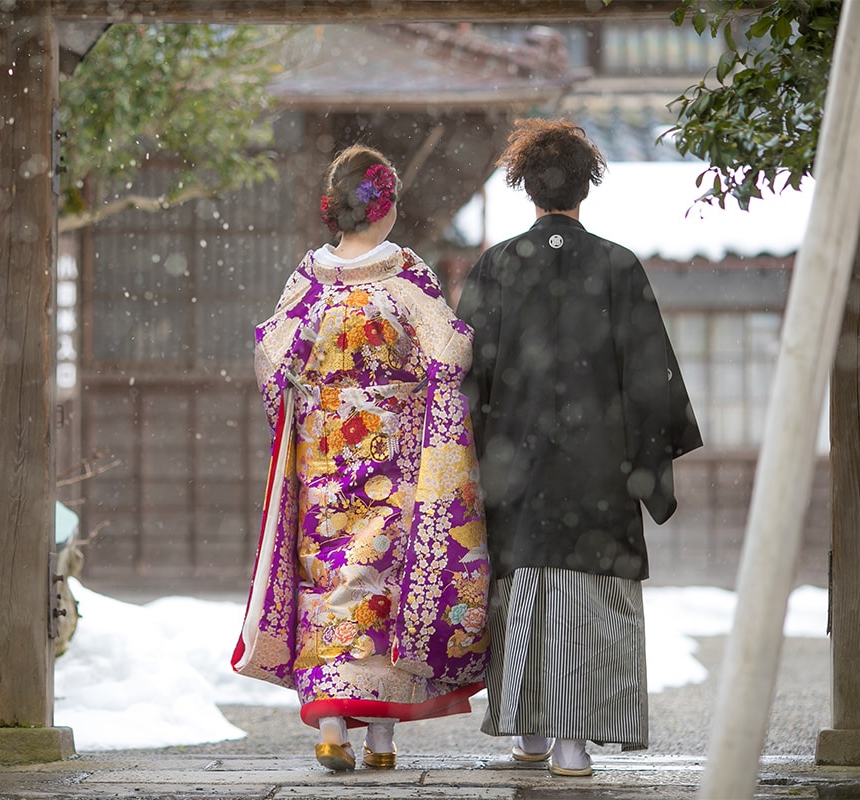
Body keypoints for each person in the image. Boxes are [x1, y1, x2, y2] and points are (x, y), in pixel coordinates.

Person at [455, 119, 703, 777]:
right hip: (601, 471)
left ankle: (532, 737)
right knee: (589, 599)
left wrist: (476, 459)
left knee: (524, 588)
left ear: (526, 189)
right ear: (585, 188)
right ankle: (572, 744)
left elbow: (465, 379)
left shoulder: (497, 266)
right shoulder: (618, 266)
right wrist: (646, 461)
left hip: (518, 466)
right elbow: (652, 382)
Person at [232, 144, 492, 772]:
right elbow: (452, 351)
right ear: (387, 209)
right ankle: (380, 739)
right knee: (381, 585)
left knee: (327, 581)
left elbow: (272, 357)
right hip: (393, 459)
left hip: (323, 456)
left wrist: (314, 401)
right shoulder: (404, 277)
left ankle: (329, 728)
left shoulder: (308, 281)